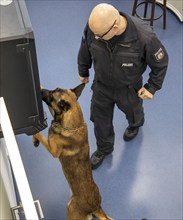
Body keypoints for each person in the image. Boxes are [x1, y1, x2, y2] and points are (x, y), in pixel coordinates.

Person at [77, 3, 168, 169]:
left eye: (99, 35)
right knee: (99, 120)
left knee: (133, 112)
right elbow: (85, 48)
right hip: (102, 85)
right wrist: (83, 70)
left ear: (115, 26)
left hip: (128, 88)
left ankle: (135, 125)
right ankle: (104, 148)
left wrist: (151, 87)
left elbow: (160, 64)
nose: (95, 37)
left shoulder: (144, 37)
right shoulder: (96, 29)